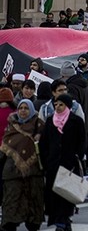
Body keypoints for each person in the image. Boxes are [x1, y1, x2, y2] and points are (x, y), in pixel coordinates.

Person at [40, 94, 86, 231]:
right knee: (53, 196)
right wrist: (46, 160)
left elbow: (82, 141)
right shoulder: (50, 121)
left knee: (66, 195)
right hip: (53, 164)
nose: (58, 107)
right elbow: (44, 143)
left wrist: (77, 155)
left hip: (69, 164)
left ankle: (62, 221)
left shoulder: (75, 121)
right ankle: (63, 222)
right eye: (56, 105)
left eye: (61, 105)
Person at [0, 99, 45, 231]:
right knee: (12, 198)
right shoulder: (11, 127)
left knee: (33, 197)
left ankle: (33, 222)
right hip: (12, 170)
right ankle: (10, 222)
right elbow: (4, 146)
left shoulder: (39, 125)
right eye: (21, 108)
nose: (23, 111)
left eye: (26, 108)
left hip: (34, 171)